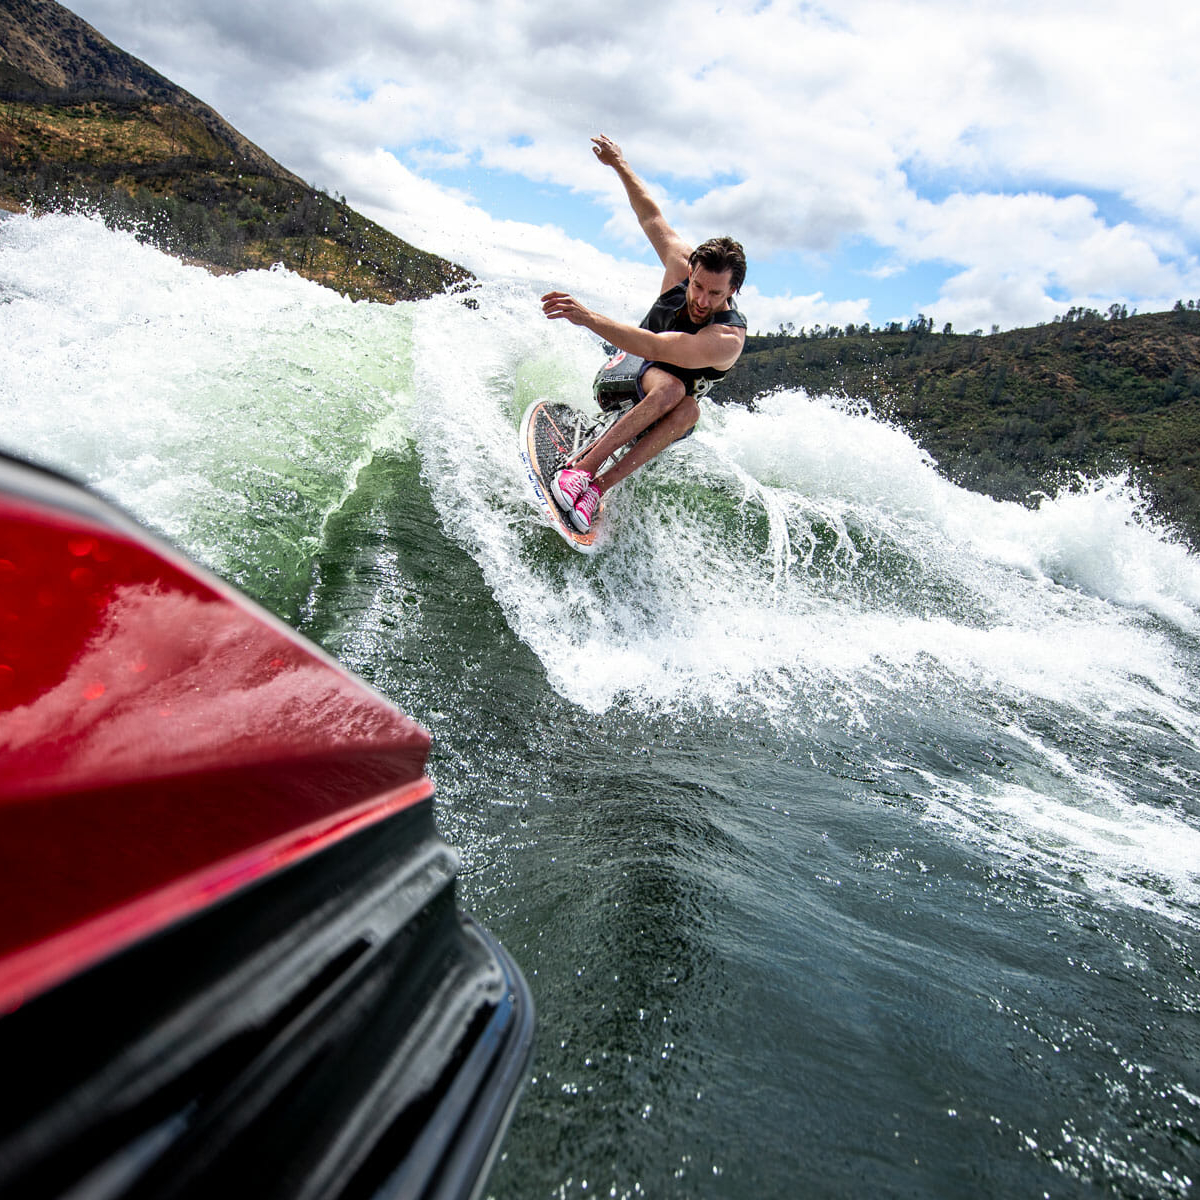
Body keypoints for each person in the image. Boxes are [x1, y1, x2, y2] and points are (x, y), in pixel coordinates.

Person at [541, 135, 747, 533]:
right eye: (697, 285)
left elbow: (660, 345)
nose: (701, 299)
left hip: (660, 406)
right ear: (693, 271)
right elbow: (650, 216)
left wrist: (588, 317)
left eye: (714, 293)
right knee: (672, 390)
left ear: (732, 292)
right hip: (621, 374)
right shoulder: (680, 266)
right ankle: (579, 471)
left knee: (690, 408)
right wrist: (619, 164)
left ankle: (596, 488)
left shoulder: (727, 339)